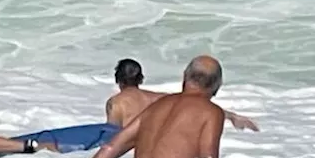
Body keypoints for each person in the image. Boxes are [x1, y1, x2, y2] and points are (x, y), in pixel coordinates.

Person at [78, 55, 228, 158]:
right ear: (217, 86)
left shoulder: (156, 106)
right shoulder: (211, 112)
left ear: (184, 76)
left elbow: (110, 148)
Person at [106, 58, 258, 131]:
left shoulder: (115, 103)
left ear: (117, 79)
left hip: (126, 156)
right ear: (141, 78)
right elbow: (193, 104)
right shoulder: (158, 98)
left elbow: (111, 136)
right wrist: (232, 116)